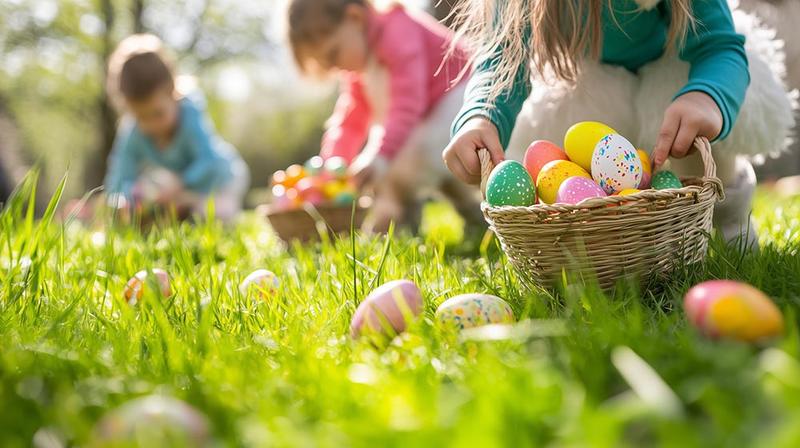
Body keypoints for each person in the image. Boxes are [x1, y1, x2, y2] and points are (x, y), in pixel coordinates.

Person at [443, 0, 796, 247]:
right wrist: (481, 117)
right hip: (594, 76)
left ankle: (731, 221)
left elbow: (717, 45)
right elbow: (502, 61)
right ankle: (621, 242)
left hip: (680, 59)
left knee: (689, 130)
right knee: (571, 137)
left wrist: (706, 96)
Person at [287, 0, 482, 232]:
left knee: (408, 163)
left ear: (355, 18)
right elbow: (351, 121)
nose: (335, 66)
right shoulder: (359, 67)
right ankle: (475, 217)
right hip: (431, 113)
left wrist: (379, 156)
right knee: (423, 160)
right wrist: (333, 168)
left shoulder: (397, 31)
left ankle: (397, 221)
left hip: (464, 96)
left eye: (333, 54)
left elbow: (407, 104)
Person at [104, 34, 249, 223]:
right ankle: (184, 211)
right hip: (179, 193)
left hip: (222, 180)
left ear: (172, 92)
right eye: (141, 117)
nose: (151, 124)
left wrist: (181, 183)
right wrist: (124, 199)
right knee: (157, 205)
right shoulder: (133, 130)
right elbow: (119, 175)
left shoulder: (189, 113)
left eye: (158, 113)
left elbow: (209, 161)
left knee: (214, 214)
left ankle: (203, 210)